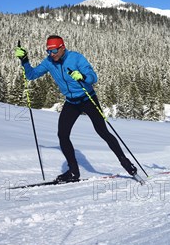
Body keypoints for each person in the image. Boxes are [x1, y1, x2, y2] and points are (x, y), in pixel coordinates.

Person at [15, 35, 137, 181]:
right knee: (63, 135)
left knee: (102, 131)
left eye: (54, 51)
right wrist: (25, 61)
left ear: (62, 47)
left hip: (88, 99)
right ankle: (73, 172)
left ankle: (126, 163)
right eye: (48, 51)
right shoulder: (49, 62)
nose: (51, 54)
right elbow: (31, 75)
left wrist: (83, 77)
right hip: (71, 102)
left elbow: (93, 77)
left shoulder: (76, 58)